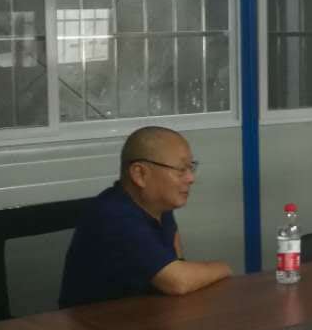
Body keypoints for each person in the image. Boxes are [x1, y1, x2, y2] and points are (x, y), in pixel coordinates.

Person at [59, 127, 231, 308]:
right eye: (181, 169)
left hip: (143, 315)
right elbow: (178, 281)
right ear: (140, 174)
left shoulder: (158, 205)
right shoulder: (113, 215)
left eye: (191, 167)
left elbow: (178, 262)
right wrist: (224, 267)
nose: (191, 178)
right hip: (93, 322)